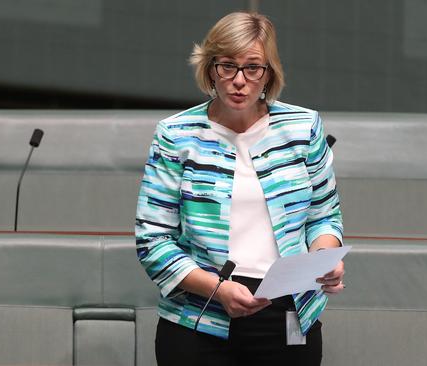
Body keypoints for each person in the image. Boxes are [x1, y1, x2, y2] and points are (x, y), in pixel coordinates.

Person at [135, 11, 344, 365]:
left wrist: (324, 258)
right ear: (210, 69)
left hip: (288, 310)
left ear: (269, 73)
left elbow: (324, 216)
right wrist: (217, 289)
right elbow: (152, 239)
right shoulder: (176, 134)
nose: (239, 80)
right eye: (227, 66)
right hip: (198, 317)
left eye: (252, 68)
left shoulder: (302, 127)